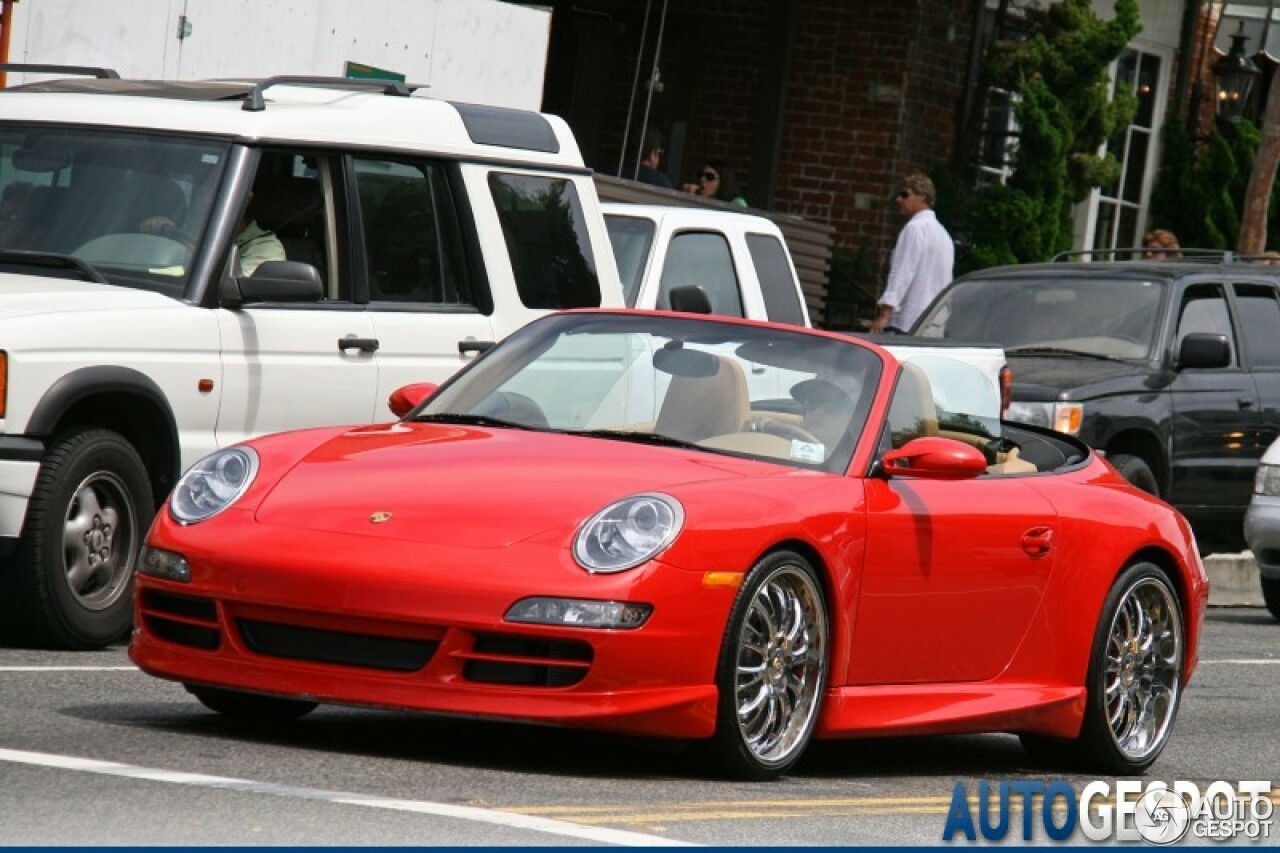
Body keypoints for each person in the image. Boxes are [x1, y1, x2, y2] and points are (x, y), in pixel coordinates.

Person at [871, 172, 954, 334]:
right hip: (934, 323)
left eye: (904, 195)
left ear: (922, 196)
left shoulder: (914, 228)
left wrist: (885, 314)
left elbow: (902, 272)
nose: (899, 200)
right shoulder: (944, 235)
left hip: (907, 321)